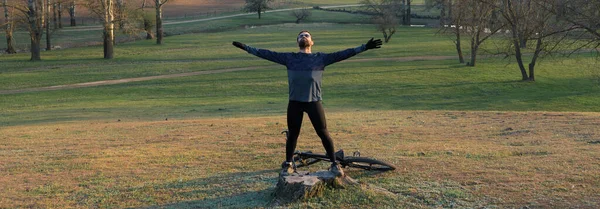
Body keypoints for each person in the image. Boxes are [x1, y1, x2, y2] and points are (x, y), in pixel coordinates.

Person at [232, 30, 382, 177]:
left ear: (311, 42)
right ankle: (288, 164)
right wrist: (246, 48)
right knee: (292, 135)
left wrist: (364, 47)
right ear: (298, 42)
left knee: (323, 133)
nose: (304, 37)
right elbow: (266, 53)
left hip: (313, 102)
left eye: (306, 35)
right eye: (301, 36)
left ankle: (334, 164)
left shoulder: (320, 58)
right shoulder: (290, 58)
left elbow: (343, 54)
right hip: (295, 103)